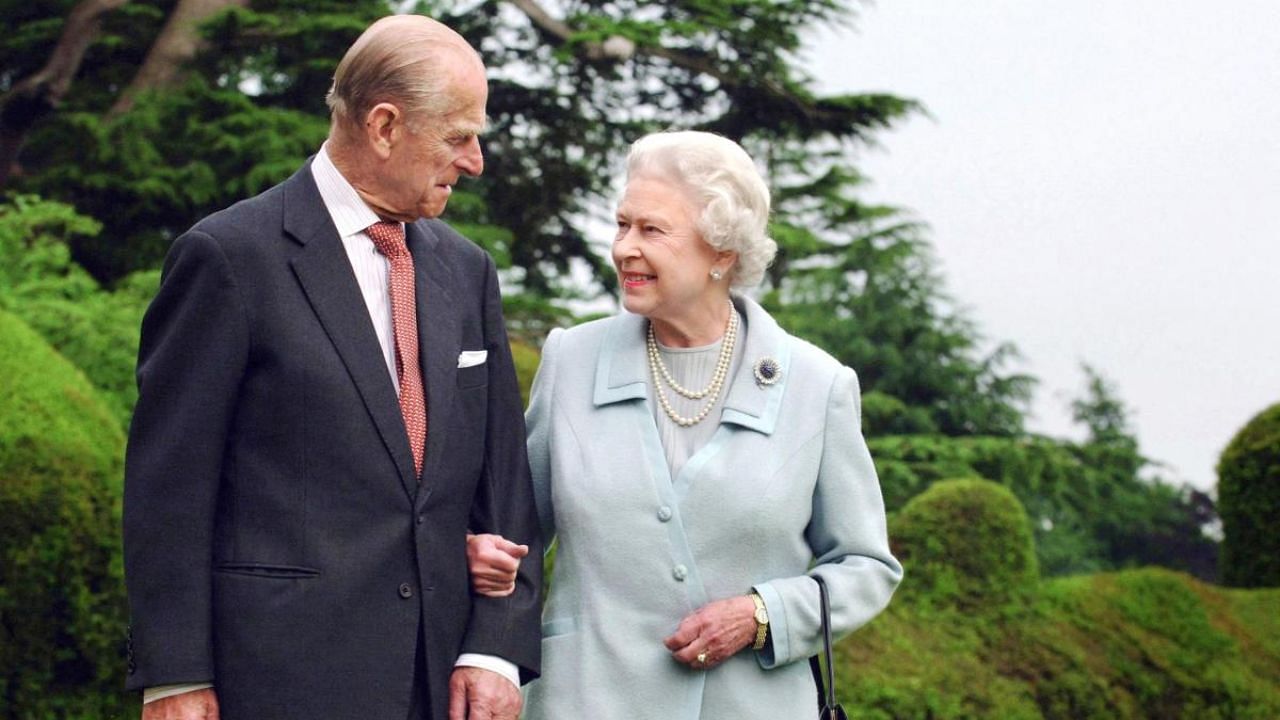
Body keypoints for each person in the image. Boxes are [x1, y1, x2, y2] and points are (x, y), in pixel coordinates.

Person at [122, 15, 541, 720]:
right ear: (383, 126)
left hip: (440, 684)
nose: (474, 161)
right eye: (459, 136)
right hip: (278, 680)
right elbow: (169, 487)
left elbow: (504, 485)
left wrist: (494, 648)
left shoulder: (468, 272)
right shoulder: (228, 258)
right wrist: (174, 675)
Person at [467, 131, 903, 719]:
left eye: (652, 230)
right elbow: (512, 529)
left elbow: (865, 566)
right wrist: (476, 553)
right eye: (622, 226)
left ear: (721, 251)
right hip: (586, 700)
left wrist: (763, 615)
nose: (625, 248)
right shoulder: (571, 360)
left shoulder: (816, 386)